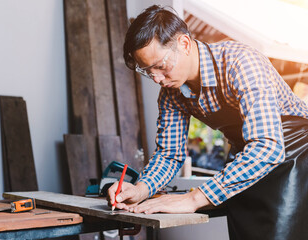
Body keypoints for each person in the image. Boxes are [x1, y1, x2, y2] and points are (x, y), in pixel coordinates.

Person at [107, 4, 308, 240]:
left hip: (294, 155)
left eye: (160, 67)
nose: (157, 79)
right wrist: (141, 189)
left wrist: (193, 199)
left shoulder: (241, 63)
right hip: (247, 160)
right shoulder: (171, 93)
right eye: (147, 72)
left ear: (183, 43)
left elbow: (267, 146)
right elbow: (169, 154)